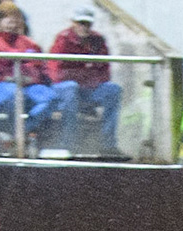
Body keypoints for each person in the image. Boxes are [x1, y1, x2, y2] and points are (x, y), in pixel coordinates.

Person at [0, 3, 61, 146]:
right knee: (14, 94)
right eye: (8, 19)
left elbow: (41, 68)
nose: (12, 23)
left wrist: (33, 78)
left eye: (15, 19)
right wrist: (5, 77)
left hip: (28, 84)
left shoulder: (29, 43)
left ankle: (22, 131)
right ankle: (17, 134)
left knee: (51, 98)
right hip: (2, 85)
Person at [46, 8, 125, 156]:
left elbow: (104, 70)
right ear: (74, 23)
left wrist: (91, 80)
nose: (84, 27)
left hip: (89, 88)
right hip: (66, 87)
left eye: (87, 24)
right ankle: (69, 143)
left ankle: (108, 144)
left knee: (113, 90)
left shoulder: (98, 40)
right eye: (80, 23)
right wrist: (79, 77)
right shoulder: (63, 39)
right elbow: (54, 70)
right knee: (70, 88)